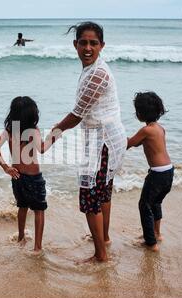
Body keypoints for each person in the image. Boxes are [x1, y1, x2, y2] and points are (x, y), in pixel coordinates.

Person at [45, 22, 127, 263]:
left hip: (104, 141)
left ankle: (101, 254)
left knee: (90, 197)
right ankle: (105, 239)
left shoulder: (98, 74)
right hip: (106, 138)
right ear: (75, 45)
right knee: (103, 193)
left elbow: (77, 114)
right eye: (83, 42)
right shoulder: (93, 69)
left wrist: (50, 138)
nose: (88, 47)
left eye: (93, 43)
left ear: (102, 45)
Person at [0, 96, 51, 252]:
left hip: (17, 177)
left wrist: (6, 168)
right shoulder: (33, 131)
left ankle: (21, 238)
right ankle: (37, 247)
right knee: (39, 210)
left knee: (22, 207)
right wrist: (55, 135)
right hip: (33, 178)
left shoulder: (9, 131)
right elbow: (42, 149)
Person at [127, 92, 173, 252]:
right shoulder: (159, 128)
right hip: (168, 172)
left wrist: (114, 139)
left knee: (144, 205)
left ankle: (151, 243)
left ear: (140, 114)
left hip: (157, 174)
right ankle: (156, 233)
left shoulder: (146, 130)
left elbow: (130, 143)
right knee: (155, 203)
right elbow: (146, 144)